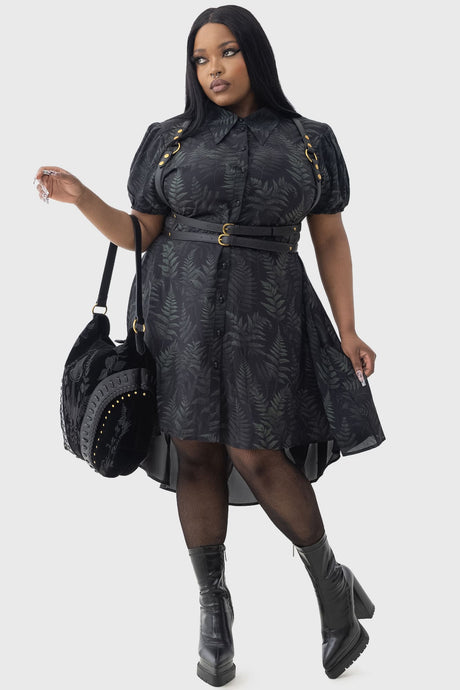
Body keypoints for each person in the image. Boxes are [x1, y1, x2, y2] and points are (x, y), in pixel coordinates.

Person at [35, 4, 385, 686]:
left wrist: (349, 328)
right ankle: (213, 611)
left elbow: (331, 238)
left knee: (259, 451)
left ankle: (332, 587)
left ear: (255, 54)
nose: (214, 69)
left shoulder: (310, 140)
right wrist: (83, 198)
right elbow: (140, 233)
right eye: (200, 59)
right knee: (195, 451)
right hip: (179, 315)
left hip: (268, 316)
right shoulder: (169, 138)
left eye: (227, 52)